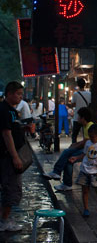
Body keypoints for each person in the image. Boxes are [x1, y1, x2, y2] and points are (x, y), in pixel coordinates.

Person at [43, 107, 93, 191]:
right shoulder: (86, 126)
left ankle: (58, 173)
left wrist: (75, 146)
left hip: (90, 152)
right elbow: (85, 141)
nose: (77, 118)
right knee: (69, 158)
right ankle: (65, 182)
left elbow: (86, 143)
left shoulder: (89, 127)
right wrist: (75, 144)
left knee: (67, 153)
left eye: (78, 116)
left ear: (83, 118)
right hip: (87, 149)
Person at [71, 124, 97, 217]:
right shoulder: (88, 143)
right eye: (89, 136)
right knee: (85, 190)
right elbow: (84, 154)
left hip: (96, 171)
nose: (91, 138)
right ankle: (86, 209)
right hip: (85, 169)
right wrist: (77, 158)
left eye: (92, 137)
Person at [0, 81, 25, 231]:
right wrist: (15, 156)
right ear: (9, 93)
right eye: (18, 94)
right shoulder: (3, 110)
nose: (20, 97)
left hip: (8, 156)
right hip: (7, 157)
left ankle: (4, 218)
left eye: (21, 94)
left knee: (8, 188)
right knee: (11, 188)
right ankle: (4, 221)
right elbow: (6, 134)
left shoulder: (12, 110)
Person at [70, 78, 91, 143]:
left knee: (74, 135)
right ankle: (86, 147)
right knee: (86, 135)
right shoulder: (89, 94)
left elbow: (73, 104)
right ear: (85, 85)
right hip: (86, 117)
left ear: (78, 85)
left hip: (77, 117)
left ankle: (74, 147)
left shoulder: (75, 94)